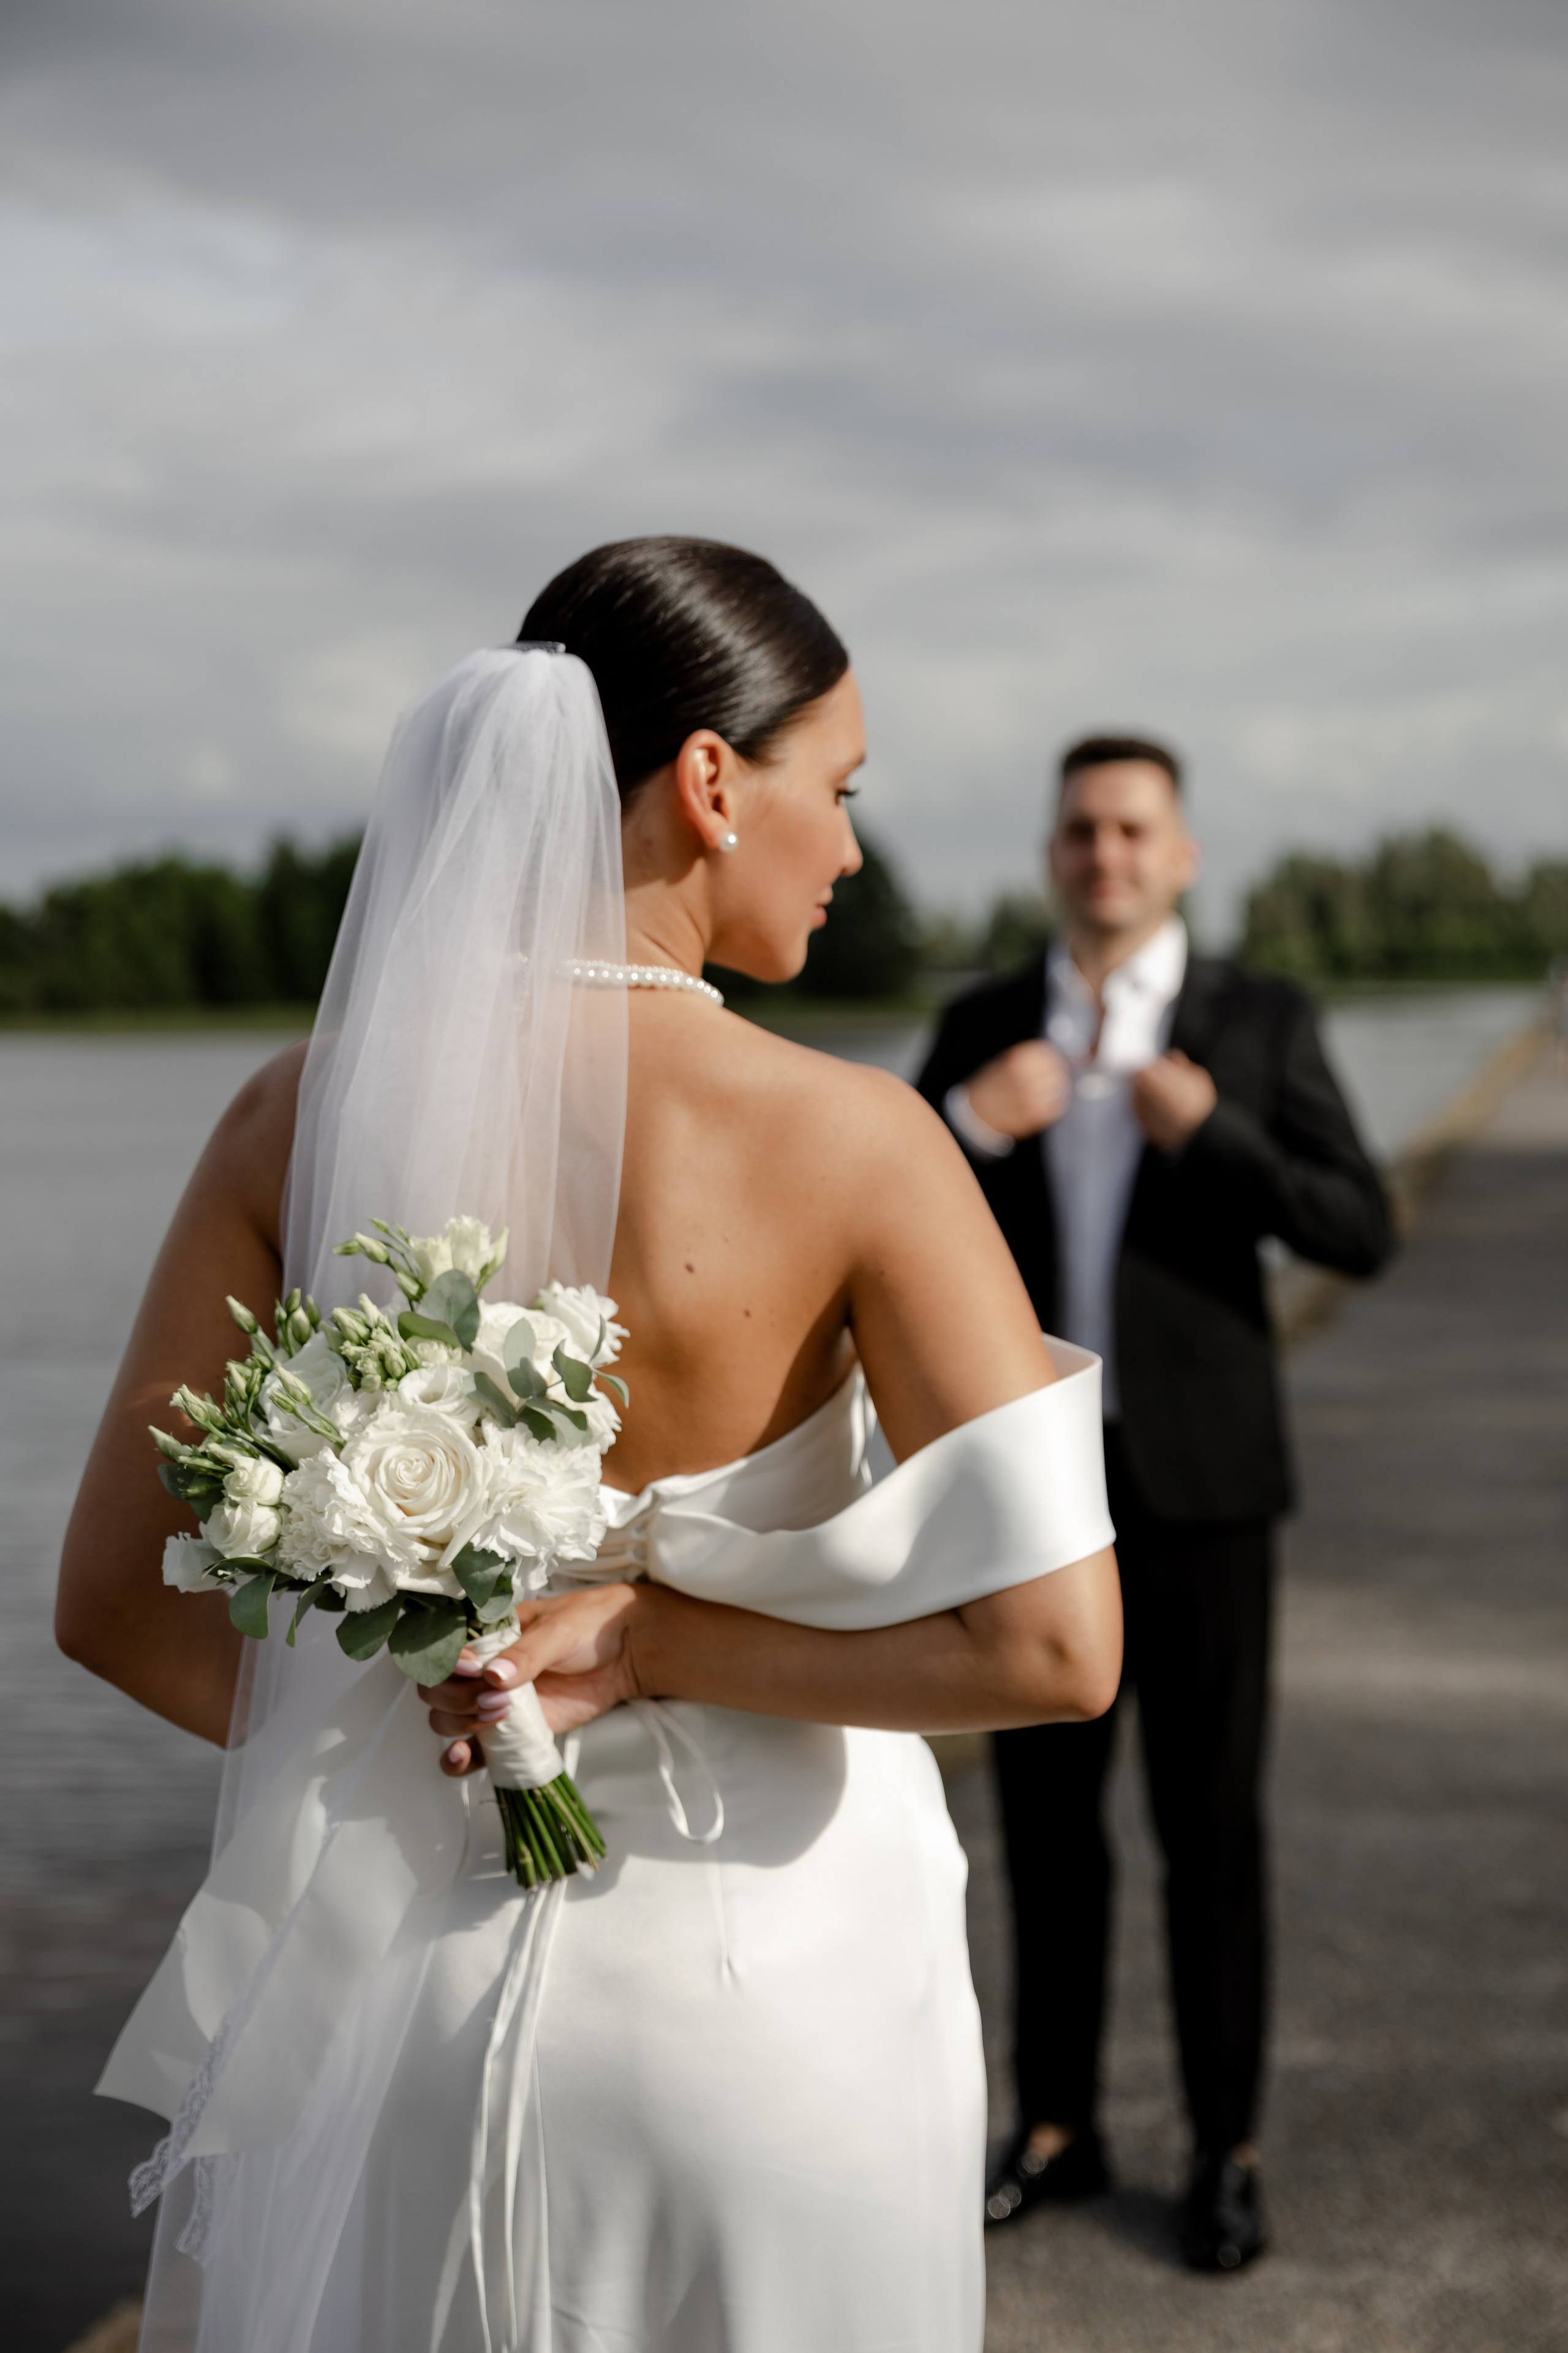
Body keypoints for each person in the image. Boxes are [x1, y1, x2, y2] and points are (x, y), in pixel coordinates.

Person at [58, 540, 1123, 2353]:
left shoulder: (294, 1118)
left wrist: (407, 1708)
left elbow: (118, 1610)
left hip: (402, 2001)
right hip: (770, 2009)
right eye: (838, 788)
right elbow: (1056, 1648)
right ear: (713, 783)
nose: (853, 849)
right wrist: (654, 1645)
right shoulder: (864, 1143)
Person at [916, 733, 1393, 2273]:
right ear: (1050, 854)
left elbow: (1356, 1227)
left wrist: (1216, 1134)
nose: (1102, 854)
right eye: (1077, 831)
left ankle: (1222, 2149)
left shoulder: (1260, 1019)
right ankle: (1055, 2127)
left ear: (1181, 855)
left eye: (1131, 829)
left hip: (1203, 1489)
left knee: (1209, 1829)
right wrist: (972, 1125)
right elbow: (871, 1211)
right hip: (1031, 1486)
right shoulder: (985, 1023)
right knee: (1049, 1831)